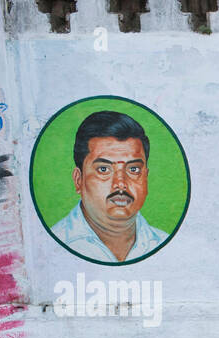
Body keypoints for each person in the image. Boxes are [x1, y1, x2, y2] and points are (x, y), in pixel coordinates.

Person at [50, 111, 169, 263]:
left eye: (133, 170)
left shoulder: (165, 244)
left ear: (145, 177)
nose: (120, 184)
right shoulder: (50, 246)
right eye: (104, 169)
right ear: (78, 180)